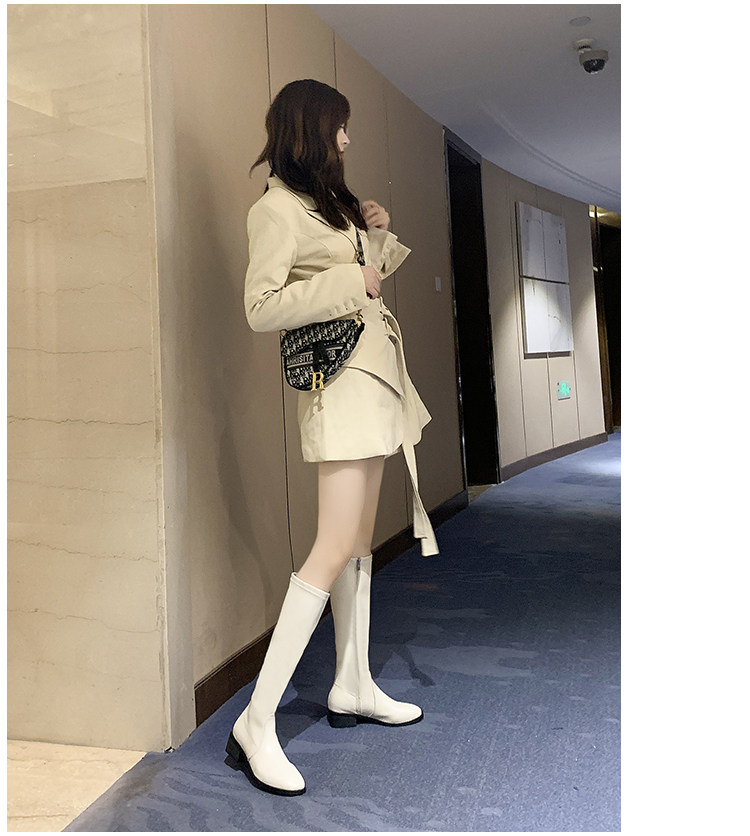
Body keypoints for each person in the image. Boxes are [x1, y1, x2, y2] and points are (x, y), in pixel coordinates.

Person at [226, 78, 439, 797]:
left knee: (356, 542)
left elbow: (364, 280)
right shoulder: (275, 210)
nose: (347, 140)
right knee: (332, 543)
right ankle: (257, 720)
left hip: (371, 380)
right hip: (338, 385)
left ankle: (353, 682)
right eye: (338, 127)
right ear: (309, 130)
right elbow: (262, 307)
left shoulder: (329, 203)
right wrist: (352, 276)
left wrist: (372, 233)